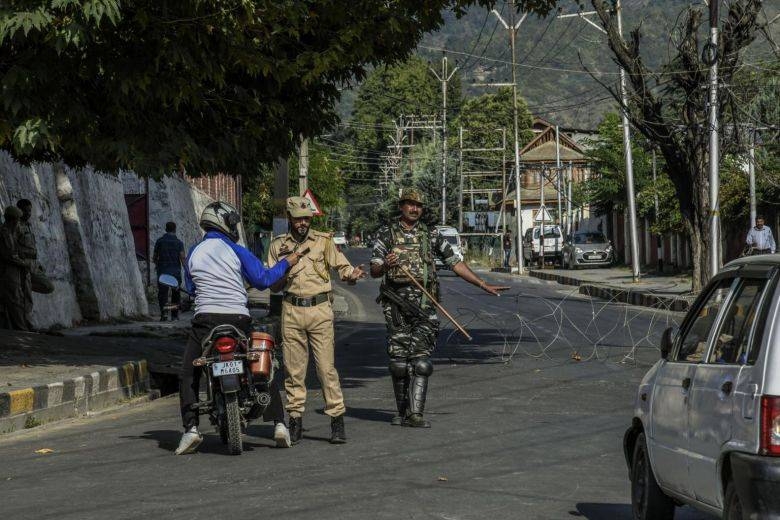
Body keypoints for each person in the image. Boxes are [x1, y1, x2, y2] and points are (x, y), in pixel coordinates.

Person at [370, 188, 509, 428]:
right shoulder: (387, 234)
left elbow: (455, 263)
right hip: (396, 306)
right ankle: (402, 411)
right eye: (411, 204)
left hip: (425, 305)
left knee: (422, 362)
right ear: (402, 206)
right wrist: (385, 266)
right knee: (399, 363)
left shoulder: (432, 235)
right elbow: (374, 269)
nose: (415, 209)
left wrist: (482, 283)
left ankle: (416, 414)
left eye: (419, 206)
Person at [175, 201, 303, 455]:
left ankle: (190, 430)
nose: (235, 228)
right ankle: (279, 424)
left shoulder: (193, 252)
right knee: (262, 365)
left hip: (205, 322)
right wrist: (287, 262)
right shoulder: (237, 250)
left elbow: (191, 289)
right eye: (233, 223)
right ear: (224, 223)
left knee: (189, 373)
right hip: (238, 320)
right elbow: (263, 280)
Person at [267, 197, 366, 445]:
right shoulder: (278, 246)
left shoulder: (323, 241)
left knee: (325, 369)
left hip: (320, 310)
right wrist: (286, 266)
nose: (303, 223)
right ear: (290, 218)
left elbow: (343, 268)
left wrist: (352, 275)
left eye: (307, 219)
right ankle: (295, 420)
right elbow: (273, 283)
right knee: (293, 370)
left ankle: (336, 421)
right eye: (299, 218)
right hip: (291, 310)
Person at [0, 206, 31, 331]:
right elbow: (9, 255)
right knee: (15, 300)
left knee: (15, 300)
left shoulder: (11, 233)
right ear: (14, 220)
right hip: (7, 271)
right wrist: (24, 264)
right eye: (18, 220)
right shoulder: (5, 233)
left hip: (11, 271)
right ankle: (21, 328)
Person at [16, 199, 53, 297]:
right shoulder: (15, 226)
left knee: (48, 287)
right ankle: (22, 285)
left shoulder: (28, 225)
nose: (28, 214)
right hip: (23, 264)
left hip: (33, 264)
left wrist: (37, 263)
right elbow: (11, 247)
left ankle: (23, 285)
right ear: (19, 210)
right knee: (47, 286)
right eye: (25, 211)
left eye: (29, 211)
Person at [153, 221, 186, 321]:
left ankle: (164, 315)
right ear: (175, 230)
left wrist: (157, 264)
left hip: (163, 272)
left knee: (163, 294)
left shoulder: (159, 241)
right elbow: (182, 258)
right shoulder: (179, 243)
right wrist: (187, 270)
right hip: (175, 272)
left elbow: (154, 257)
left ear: (166, 229)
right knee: (175, 294)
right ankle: (174, 316)